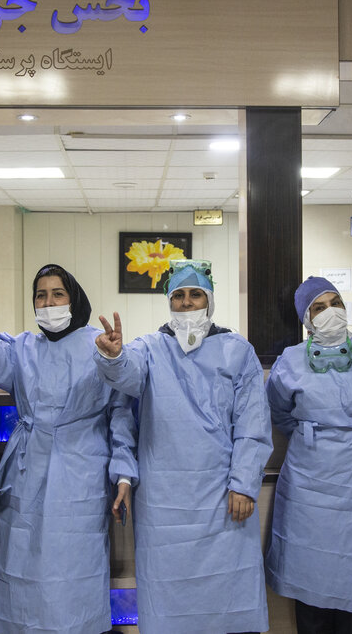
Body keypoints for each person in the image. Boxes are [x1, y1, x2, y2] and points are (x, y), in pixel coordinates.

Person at [0, 263, 137, 634]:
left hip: (81, 472)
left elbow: (120, 415)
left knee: (72, 571)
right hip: (26, 469)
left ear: (74, 299)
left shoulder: (100, 345)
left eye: (57, 294)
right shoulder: (22, 349)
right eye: (41, 295)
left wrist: (124, 475)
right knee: (18, 561)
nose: (48, 303)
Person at [94, 259, 273, 634]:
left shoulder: (237, 351)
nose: (187, 302)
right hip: (164, 506)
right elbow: (127, 376)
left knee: (228, 603)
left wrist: (243, 483)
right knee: (169, 605)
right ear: (168, 302)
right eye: (178, 295)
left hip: (223, 498)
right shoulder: (149, 348)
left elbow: (253, 423)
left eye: (195, 295)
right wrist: (113, 356)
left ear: (209, 300)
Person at [264, 276, 352, 633]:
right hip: (307, 479)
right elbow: (278, 411)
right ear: (306, 319)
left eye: (335, 303)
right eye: (319, 307)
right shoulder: (291, 361)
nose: (330, 311)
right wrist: (314, 436)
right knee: (309, 576)